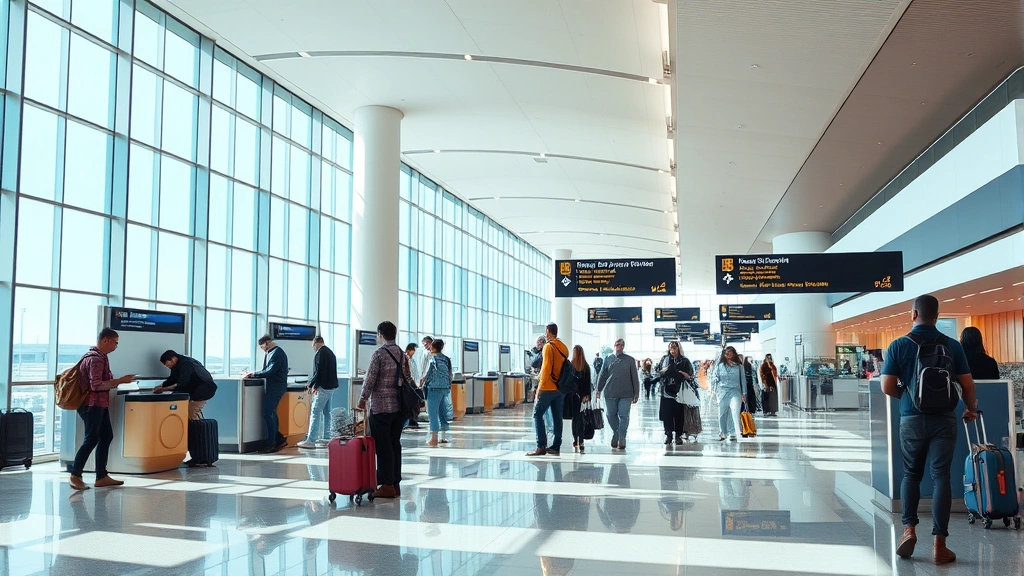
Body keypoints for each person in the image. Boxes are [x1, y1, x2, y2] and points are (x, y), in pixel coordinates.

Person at [881, 295, 977, 565]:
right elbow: (968, 385)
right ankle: (940, 545)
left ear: (914, 314)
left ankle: (908, 530)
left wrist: (910, 396)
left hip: (911, 419)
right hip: (944, 419)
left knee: (911, 474)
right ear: (936, 315)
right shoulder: (952, 345)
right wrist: (970, 408)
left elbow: (887, 386)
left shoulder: (899, 345)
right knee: (941, 477)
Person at [69, 328, 135, 491]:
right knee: (91, 439)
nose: (116, 346)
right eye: (115, 342)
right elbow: (96, 385)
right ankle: (75, 475)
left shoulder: (100, 357)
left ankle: (101, 476)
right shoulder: (96, 359)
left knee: (106, 436)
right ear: (106, 340)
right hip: (92, 405)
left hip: (99, 404)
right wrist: (120, 381)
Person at [357, 321, 415, 499]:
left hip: (381, 407)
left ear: (381, 334)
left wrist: (362, 399)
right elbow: (408, 378)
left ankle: (387, 485)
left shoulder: (379, 354)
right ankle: (395, 483)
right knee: (394, 444)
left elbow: (370, 379)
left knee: (383, 447)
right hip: (399, 407)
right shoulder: (402, 354)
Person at [527, 323, 568, 457]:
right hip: (560, 388)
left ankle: (541, 446)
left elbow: (546, 368)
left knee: (537, 415)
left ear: (548, 332)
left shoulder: (548, 347)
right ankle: (556, 446)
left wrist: (539, 388)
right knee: (557, 417)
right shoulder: (563, 347)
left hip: (548, 387)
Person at [243, 335, 290, 453]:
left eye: (263, 347)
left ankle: (271, 444)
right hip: (273, 387)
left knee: (268, 413)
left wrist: (254, 374)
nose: (263, 349)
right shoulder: (271, 353)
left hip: (276, 387)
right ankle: (278, 440)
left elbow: (270, 371)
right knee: (271, 413)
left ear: (268, 342)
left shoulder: (277, 353)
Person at [595, 338, 640, 451]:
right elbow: (603, 375)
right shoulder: (608, 359)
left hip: (626, 393)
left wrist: (636, 393)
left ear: (623, 347)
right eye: (617, 344)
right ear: (614, 346)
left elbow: (635, 377)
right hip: (610, 392)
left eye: (621, 345)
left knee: (624, 415)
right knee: (610, 415)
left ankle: (622, 437)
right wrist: (598, 389)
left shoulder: (629, 360)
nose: (618, 347)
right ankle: (616, 433)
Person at [296, 336, 338, 449]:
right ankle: (326, 437)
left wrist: (312, 384)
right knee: (326, 412)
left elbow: (319, 372)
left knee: (315, 411)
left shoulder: (320, 354)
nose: (313, 348)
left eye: (313, 346)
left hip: (324, 387)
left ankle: (311, 440)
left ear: (316, 343)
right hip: (331, 387)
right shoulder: (330, 352)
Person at [153, 350, 217, 420]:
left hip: (204, 390)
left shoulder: (186, 364)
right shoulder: (176, 365)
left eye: (168, 364)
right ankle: (192, 429)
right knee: (188, 411)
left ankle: (199, 430)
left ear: (173, 358)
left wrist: (163, 389)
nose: (168, 366)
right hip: (195, 390)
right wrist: (161, 386)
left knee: (192, 411)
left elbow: (182, 383)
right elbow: (172, 379)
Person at [654, 341, 694, 445]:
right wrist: (665, 370)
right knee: (666, 414)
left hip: (679, 391)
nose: (673, 350)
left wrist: (681, 373)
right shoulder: (664, 359)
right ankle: (668, 434)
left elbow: (690, 375)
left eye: (675, 347)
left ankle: (678, 435)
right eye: (671, 348)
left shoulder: (684, 361)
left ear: (679, 348)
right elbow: (658, 371)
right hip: (666, 390)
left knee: (679, 414)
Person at [422, 339, 453, 447]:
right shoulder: (446, 359)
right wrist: (448, 386)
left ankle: (434, 439)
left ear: (433, 347)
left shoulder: (433, 359)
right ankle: (443, 437)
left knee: (432, 414)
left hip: (433, 389)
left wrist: (423, 383)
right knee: (443, 413)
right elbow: (450, 375)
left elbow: (428, 374)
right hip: (445, 389)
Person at [562, 345, 592, 454]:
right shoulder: (585, 366)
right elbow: (588, 383)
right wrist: (587, 395)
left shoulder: (571, 366)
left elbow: (567, 381)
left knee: (575, 419)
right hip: (581, 396)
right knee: (580, 419)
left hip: (572, 396)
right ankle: (581, 441)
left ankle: (576, 440)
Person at [711, 346, 745, 442]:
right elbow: (714, 377)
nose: (728, 355)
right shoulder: (719, 366)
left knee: (734, 411)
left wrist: (744, 393)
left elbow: (743, 381)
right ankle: (723, 433)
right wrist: (714, 386)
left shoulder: (739, 367)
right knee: (722, 413)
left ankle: (733, 432)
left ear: (734, 354)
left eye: (730, 353)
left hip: (735, 391)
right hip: (722, 392)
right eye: (726, 353)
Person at [404, 343, 422, 430]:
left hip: (414, 384)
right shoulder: (405, 359)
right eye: (413, 351)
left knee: (415, 403)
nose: (414, 353)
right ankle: (410, 420)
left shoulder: (412, 360)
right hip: (409, 385)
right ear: (409, 350)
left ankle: (413, 419)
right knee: (410, 403)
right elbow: (408, 374)